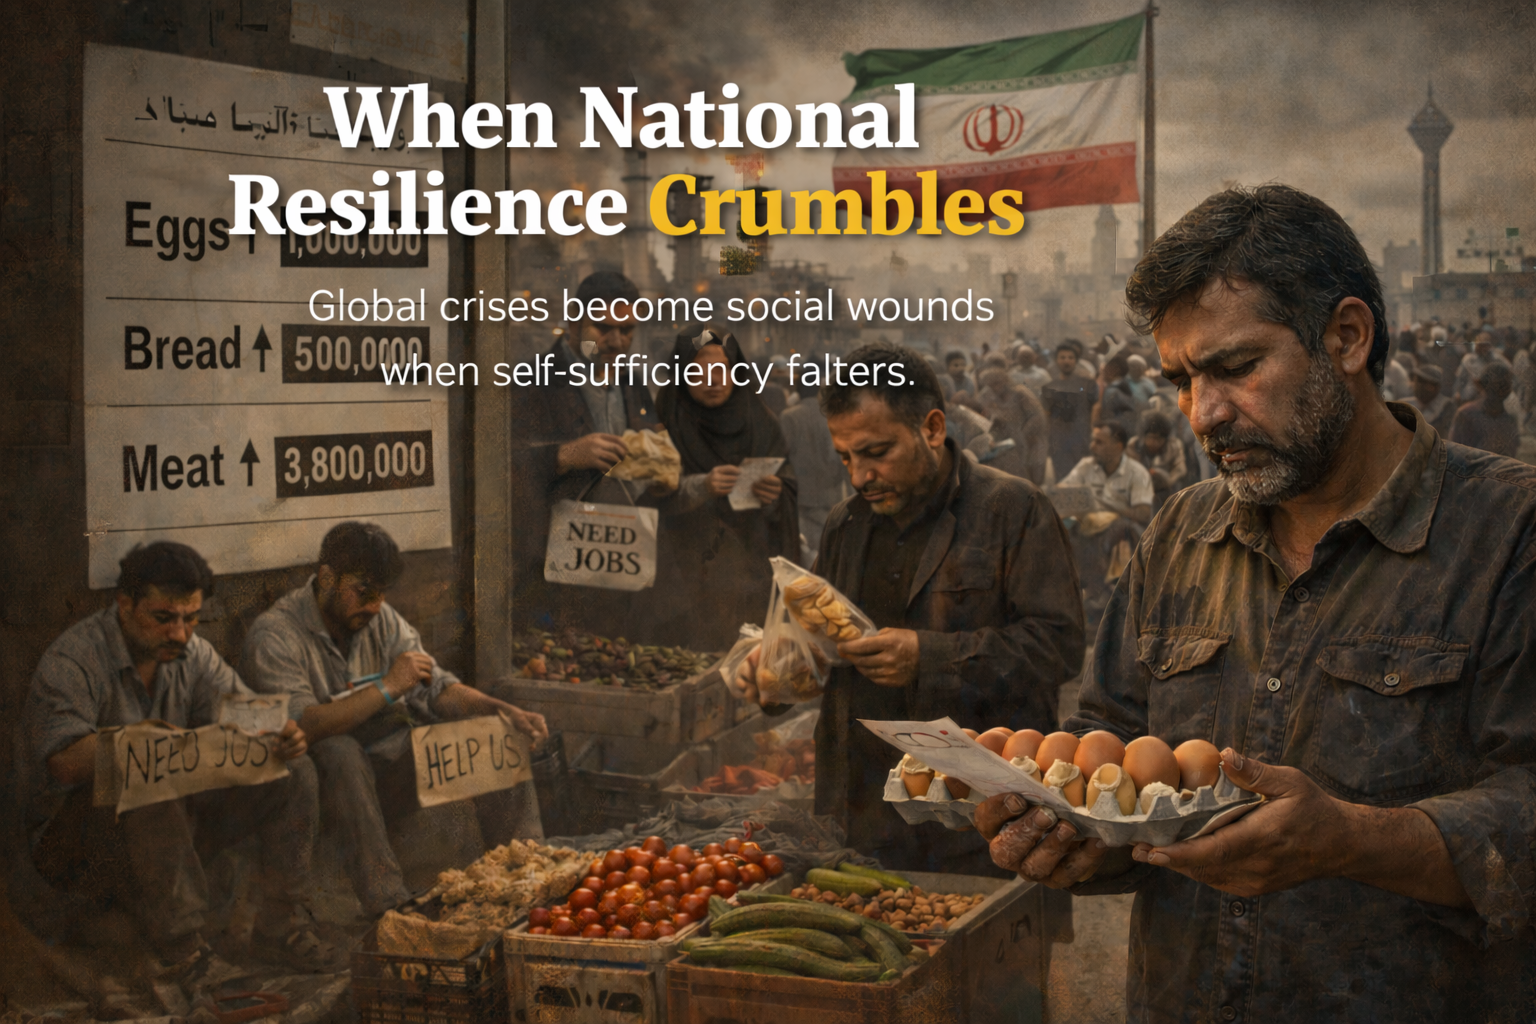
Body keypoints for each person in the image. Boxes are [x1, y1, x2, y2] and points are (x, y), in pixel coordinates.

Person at [977, 184, 1536, 1022]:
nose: (1203, 415)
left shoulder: (1509, 535)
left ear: (1347, 337)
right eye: (1180, 380)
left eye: (1236, 368)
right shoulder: (1181, 534)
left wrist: (1352, 840)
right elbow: (1116, 744)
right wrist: (1078, 834)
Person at [733, 341, 1084, 876]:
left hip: (978, 815)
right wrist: (778, 666)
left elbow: (1060, 646)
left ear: (933, 428)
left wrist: (928, 656)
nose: (859, 477)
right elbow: (821, 643)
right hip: (864, 814)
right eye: (846, 458)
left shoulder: (1013, 509)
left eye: (876, 453)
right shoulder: (845, 524)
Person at [14, 542, 331, 988]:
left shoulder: (191, 652)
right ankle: (185, 952)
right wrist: (140, 743)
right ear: (125, 605)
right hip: (73, 845)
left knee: (294, 771)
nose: (180, 634)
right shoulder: (74, 659)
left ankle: (280, 925)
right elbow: (64, 763)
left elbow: (243, 713)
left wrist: (279, 730)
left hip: (165, 829)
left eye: (191, 618)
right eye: (163, 618)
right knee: (147, 770)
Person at [240, 523, 548, 920]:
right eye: (364, 591)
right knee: (339, 751)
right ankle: (388, 906)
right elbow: (303, 725)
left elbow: (436, 688)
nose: (374, 605)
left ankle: (528, 880)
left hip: (384, 766)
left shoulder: (379, 619)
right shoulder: (274, 635)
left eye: (382, 593)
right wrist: (387, 687)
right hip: (317, 783)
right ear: (327, 578)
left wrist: (500, 710)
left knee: (496, 736)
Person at [508, 271, 675, 635]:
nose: (617, 341)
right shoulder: (531, 381)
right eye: (603, 328)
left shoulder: (632, 383)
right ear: (574, 321)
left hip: (624, 565)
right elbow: (495, 469)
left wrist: (660, 472)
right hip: (552, 574)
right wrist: (562, 456)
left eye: (627, 330)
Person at [647, 328, 800, 650]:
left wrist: (774, 495)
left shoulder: (761, 421)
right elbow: (645, 495)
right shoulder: (663, 422)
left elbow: (786, 483)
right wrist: (700, 487)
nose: (713, 381)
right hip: (682, 579)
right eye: (698, 372)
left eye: (721, 369)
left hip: (750, 573)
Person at [779, 381, 848, 559]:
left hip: (801, 500)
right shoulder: (835, 417)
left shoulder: (789, 416)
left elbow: (781, 458)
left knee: (805, 559)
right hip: (832, 500)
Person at [976, 367, 1048, 483]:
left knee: (1032, 478)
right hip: (1001, 441)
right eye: (991, 385)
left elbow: (1037, 416)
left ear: (1005, 380)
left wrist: (1025, 433)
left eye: (997, 383)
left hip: (1026, 438)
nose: (995, 387)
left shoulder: (1020, 392)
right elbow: (982, 417)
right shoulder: (985, 395)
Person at [1043, 343, 1096, 479]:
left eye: (1070, 357)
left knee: (1085, 476)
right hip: (1059, 439)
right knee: (1062, 477)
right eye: (1062, 357)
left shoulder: (1087, 384)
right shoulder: (1049, 387)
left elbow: (1095, 408)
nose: (1066, 361)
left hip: (1082, 436)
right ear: (1056, 361)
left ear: (1076, 361)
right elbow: (1046, 415)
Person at [1449, 362, 1520, 457]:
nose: (1500, 391)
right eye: (1497, 386)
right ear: (1484, 386)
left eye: (1504, 385)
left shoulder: (1509, 420)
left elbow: (1512, 455)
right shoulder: (1467, 415)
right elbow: (1456, 455)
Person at [1128, 411, 1189, 511]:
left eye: (1159, 439)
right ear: (1143, 436)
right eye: (1151, 438)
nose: (1154, 443)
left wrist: (1167, 481)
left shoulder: (1174, 445)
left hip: (1167, 490)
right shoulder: (1134, 444)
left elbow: (1180, 470)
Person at [1453, 329, 1511, 402]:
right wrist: (1457, 393)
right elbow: (1459, 378)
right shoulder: (1468, 359)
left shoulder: (1497, 359)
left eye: (1483, 345)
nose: (1479, 348)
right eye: (1478, 345)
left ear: (1489, 346)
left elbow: (1510, 370)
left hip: (1491, 397)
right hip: (1470, 396)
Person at [1403, 363, 1456, 437]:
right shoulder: (1405, 404)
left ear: (1436, 387)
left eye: (1423, 382)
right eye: (1417, 381)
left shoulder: (1446, 406)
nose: (1417, 385)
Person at [1096, 354, 1143, 437]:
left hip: (1114, 434)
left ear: (1114, 369)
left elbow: (1106, 418)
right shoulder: (1126, 386)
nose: (1103, 371)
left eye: (1106, 368)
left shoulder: (1111, 392)